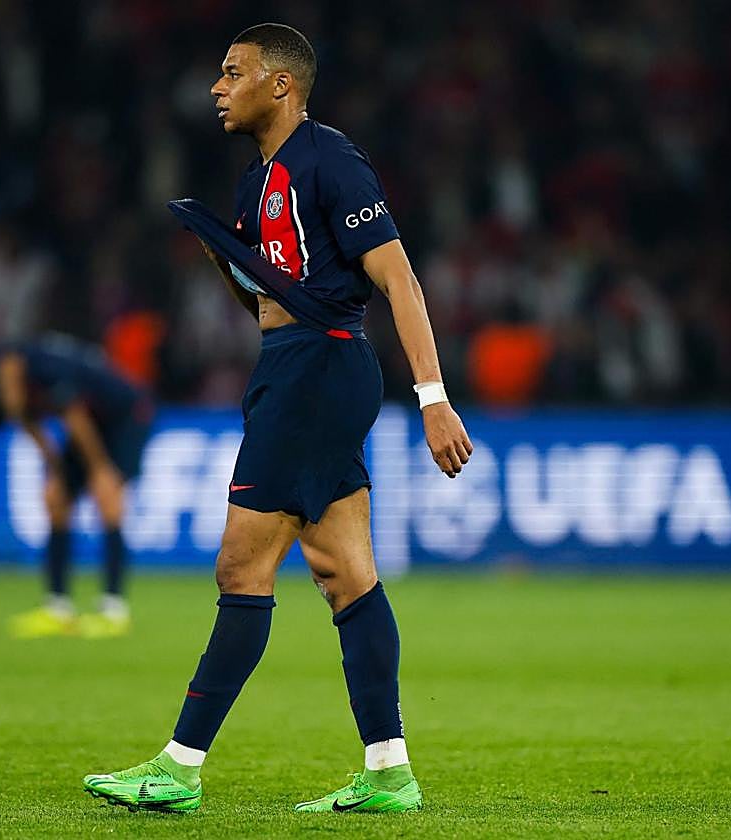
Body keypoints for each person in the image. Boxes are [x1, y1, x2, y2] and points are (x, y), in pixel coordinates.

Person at [82, 23, 472, 813]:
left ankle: (179, 767)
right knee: (344, 573)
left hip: (319, 370)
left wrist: (433, 400)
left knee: (241, 568)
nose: (218, 88)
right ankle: (389, 770)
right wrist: (230, 262)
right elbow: (268, 302)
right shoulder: (254, 185)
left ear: (282, 84)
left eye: (233, 73)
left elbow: (398, 281)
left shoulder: (332, 160)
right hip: (295, 366)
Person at [0, 332, 154, 639]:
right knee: (56, 499)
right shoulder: (13, 384)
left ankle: (113, 610)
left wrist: (99, 469)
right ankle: (58, 609)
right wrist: (55, 469)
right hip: (93, 424)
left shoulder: (43, 368)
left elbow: (75, 417)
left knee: (108, 499)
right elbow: (27, 420)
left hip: (125, 415)